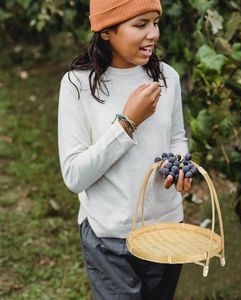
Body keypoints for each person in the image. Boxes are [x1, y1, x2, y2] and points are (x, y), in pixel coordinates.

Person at [58, 0, 192, 299]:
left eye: (155, 22)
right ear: (107, 31)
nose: (153, 34)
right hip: (109, 238)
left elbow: (176, 139)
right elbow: (74, 176)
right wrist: (128, 122)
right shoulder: (78, 85)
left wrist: (180, 164)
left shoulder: (167, 77)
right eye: (140, 24)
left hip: (166, 228)